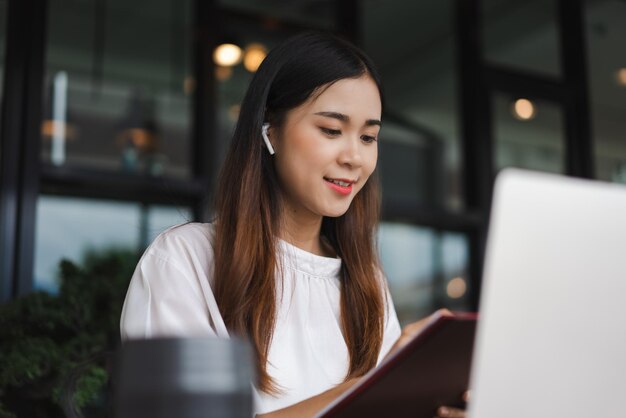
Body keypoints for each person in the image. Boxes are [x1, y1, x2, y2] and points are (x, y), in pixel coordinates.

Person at [120, 31, 466, 418]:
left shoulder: (366, 281)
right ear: (270, 131)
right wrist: (375, 387)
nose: (355, 157)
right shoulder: (186, 260)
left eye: (369, 137)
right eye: (331, 130)